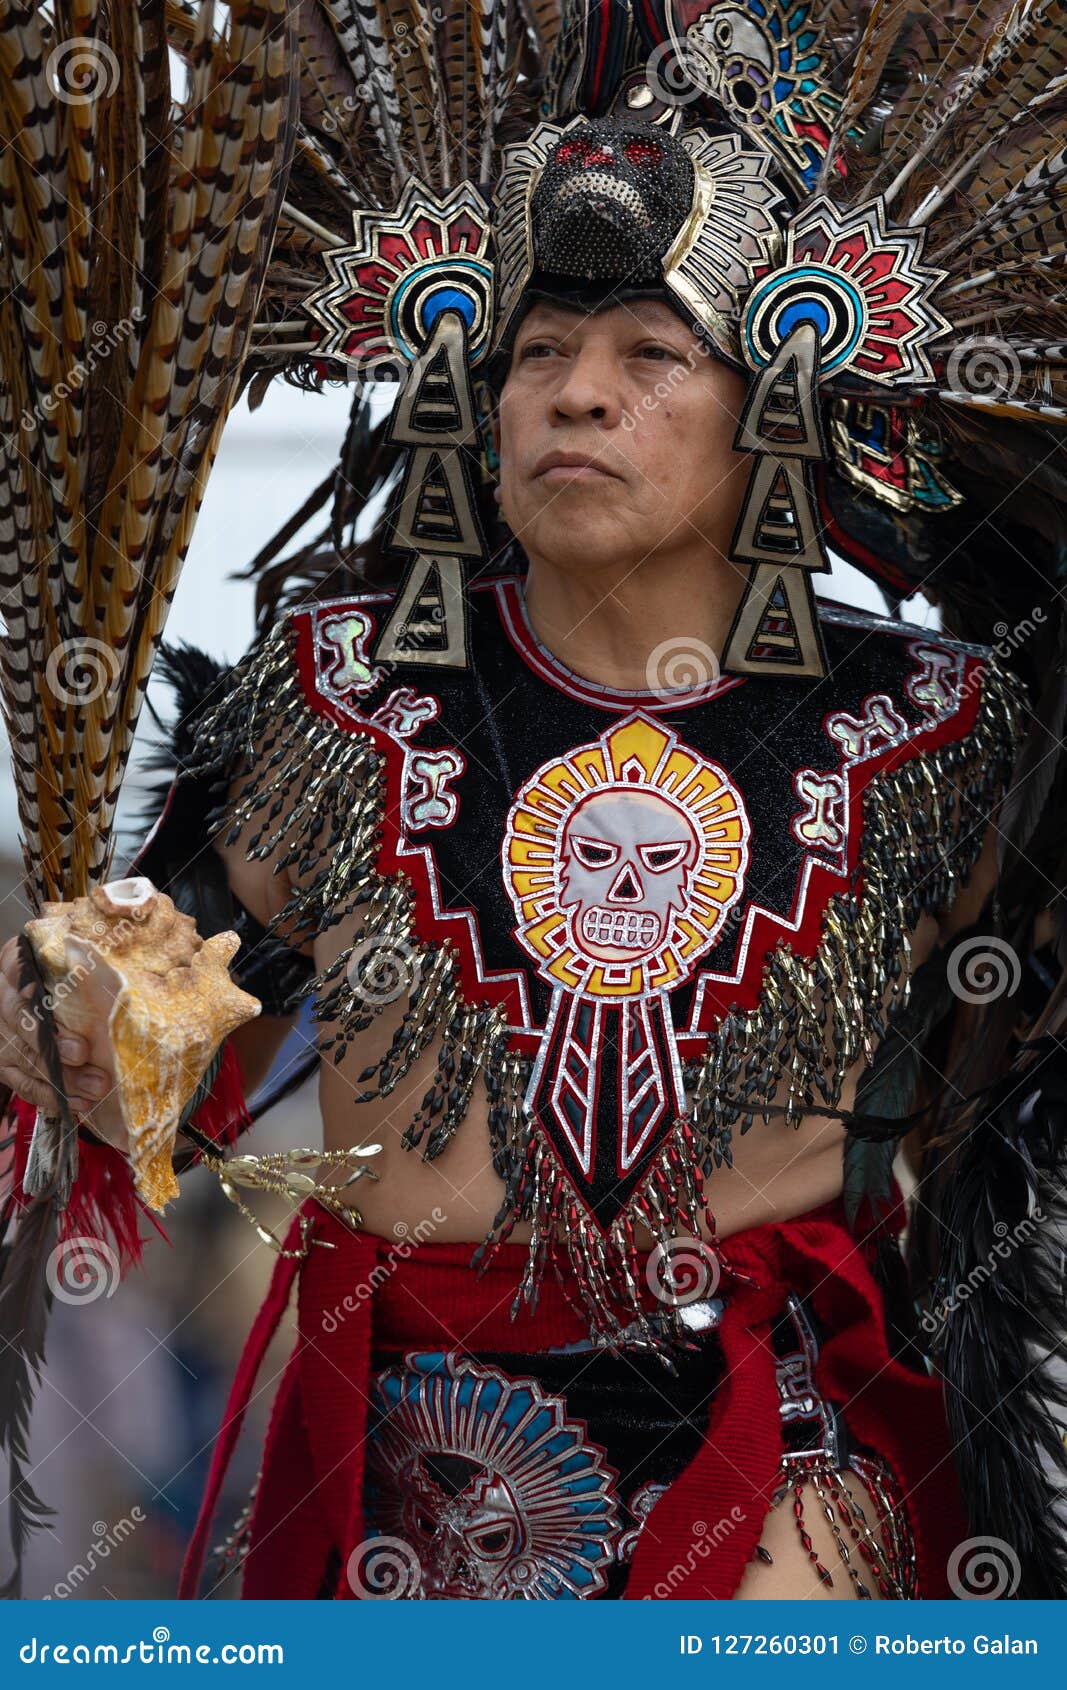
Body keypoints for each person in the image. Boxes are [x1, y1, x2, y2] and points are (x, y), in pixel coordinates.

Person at [2, 2, 1065, 1605]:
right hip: (426, 1453)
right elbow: (160, 1025)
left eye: (651, 355)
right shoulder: (336, 699)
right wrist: (71, 1019)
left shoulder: (938, 728)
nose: (577, 394)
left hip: (790, 1447)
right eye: (539, 353)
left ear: (769, 410)